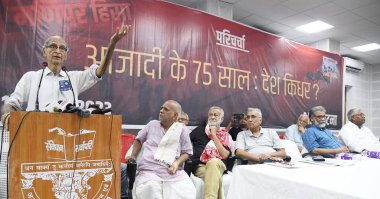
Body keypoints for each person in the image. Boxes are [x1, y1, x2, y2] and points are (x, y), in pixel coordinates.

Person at [1, 25, 132, 129]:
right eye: (53, 46)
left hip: (68, 139)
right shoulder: (31, 78)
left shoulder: (73, 78)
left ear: (66, 55)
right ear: (44, 52)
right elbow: (12, 103)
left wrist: (112, 44)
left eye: (62, 48)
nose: (57, 50)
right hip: (36, 136)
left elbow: (99, 72)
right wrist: (7, 113)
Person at [126, 100, 195, 199]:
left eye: (166, 109)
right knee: (151, 188)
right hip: (150, 170)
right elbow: (138, 140)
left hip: (172, 171)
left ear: (175, 116)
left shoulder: (182, 130)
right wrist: (133, 156)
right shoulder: (152, 124)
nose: (161, 111)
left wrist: (176, 163)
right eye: (161, 108)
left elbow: (187, 152)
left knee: (187, 189)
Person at [190, 106, 233, 199]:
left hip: (219, 165)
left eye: (216, 115)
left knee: (213, 161)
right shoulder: (198, 131)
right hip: (200, 167)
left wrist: (213, 134)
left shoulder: (225, 135)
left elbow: (225, 155)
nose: (212, 117)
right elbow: (184, 144)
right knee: (214, 178)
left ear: (221, 119)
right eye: (210, 114)